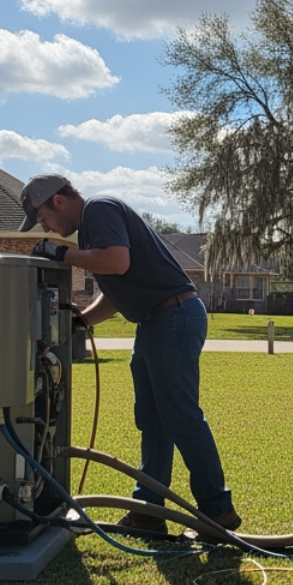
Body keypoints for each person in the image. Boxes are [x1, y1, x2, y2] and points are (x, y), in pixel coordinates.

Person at [19, 174, 241, 536]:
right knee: (152, 421)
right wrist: (81, 322)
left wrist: (61, 253)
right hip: (157, 321)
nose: (44, 226)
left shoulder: (99, 210)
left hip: (173, 316)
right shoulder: (92, 229)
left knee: (180, 416)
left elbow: (116, 262)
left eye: (42, 217)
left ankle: (218, 512)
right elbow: (115, 288)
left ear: (58, 201)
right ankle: (148, 512)